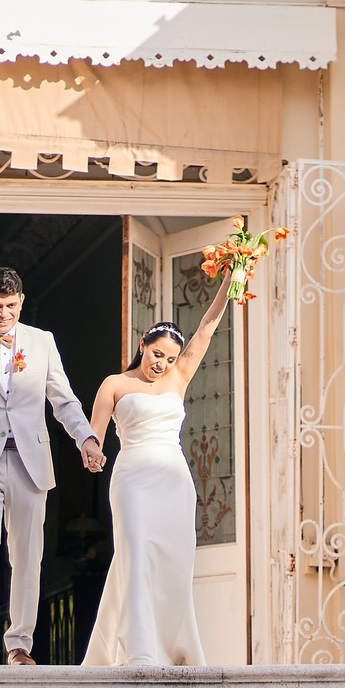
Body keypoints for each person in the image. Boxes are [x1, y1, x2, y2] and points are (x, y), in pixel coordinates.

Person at [0, 267, 104, 665]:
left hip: (30, 461)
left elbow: (63, 400)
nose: (3, 314)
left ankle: (19, 644)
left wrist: (86, 438)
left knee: (27, 554)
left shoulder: (42, 342)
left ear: (21, 302)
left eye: (11, 306)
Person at [82, 285, 230, 667]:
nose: (161, 363)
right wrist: (93, 452)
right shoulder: (114, 384)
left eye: (170, 358)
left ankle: (173, 647)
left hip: (173, 481)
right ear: (143, 345)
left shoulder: (178, 378)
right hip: (132, 476)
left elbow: (208, 325)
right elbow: (93, 436)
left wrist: (234, 274)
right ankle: (139, 650)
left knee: (171, 563)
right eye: (157, 353)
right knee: (134, 553)